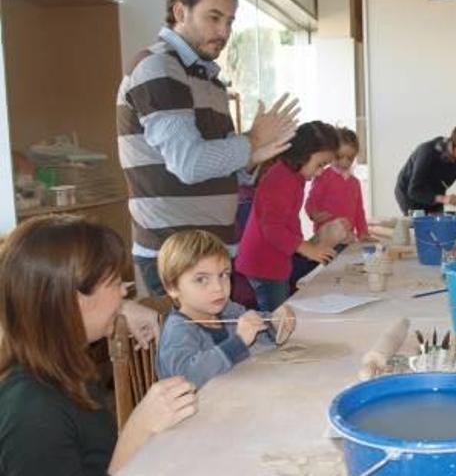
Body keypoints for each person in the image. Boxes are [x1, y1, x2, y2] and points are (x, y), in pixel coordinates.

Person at [117, 0, 300, 296]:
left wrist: (253, 157)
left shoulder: (208, 78)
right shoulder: (159, 67)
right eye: (213, 18)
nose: (223, 31)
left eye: (229, 21)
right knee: (192, 346)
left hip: (209, 253)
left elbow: (221, 165)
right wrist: (252, 141)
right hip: (177, 254)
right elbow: (189, 164)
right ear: (180, 12)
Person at [0, 216, 197, 475]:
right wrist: (136, 431)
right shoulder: (33, 410)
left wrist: (121, 309)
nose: (124, 293)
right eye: (115, 283)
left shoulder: (62, 365)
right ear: (73, 300)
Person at [156, 230, 295, 388]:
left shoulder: (228, 310)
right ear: (173, 288)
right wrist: (238, 342)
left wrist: (275, 322)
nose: (218, 288)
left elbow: (256, 328)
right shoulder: (178, 330)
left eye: (223, 275)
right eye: (201, 279)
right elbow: (188, 378)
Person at [235, 121, 341, 312]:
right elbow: (272, 227)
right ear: (304, 153)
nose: (319, 172)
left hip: (273, 261)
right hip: (263, 263)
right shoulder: (281, 178)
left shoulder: (293, 177)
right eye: (320, 164)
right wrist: (306, 248)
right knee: (277, 319)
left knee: (280, 315)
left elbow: (289, 220)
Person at [395, 121, 456, 215]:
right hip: (410, 194)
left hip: (435, 192)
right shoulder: (428, 152)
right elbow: (414, 190)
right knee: (420, 223)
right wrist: (443, 199)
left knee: (438, 223)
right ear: (453, 145)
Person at [306, 127, 369, 241]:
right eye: (339, 157)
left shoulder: (355, 183)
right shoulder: (323, 176)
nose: (344, 162)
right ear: (331, 153)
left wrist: (363, 232)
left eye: (349, 158)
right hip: (326, 236)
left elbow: (359, 211)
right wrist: (314, 214)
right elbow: (312, 200)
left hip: (348, 237)